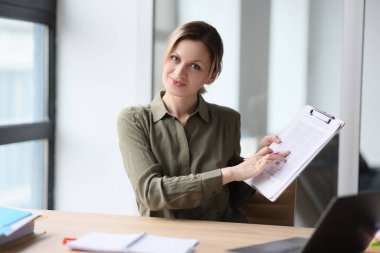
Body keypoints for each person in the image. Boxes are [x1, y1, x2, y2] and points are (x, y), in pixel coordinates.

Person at [117, 21, 289, 223]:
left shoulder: (228, 120)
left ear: (211, 75)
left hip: (221, 234)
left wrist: (259, 162)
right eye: (175, 58)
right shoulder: (134, 120)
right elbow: (151, 193)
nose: (179, 72)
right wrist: (230, 172)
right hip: (162, 240)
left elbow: (235, 195)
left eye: (194, 66)